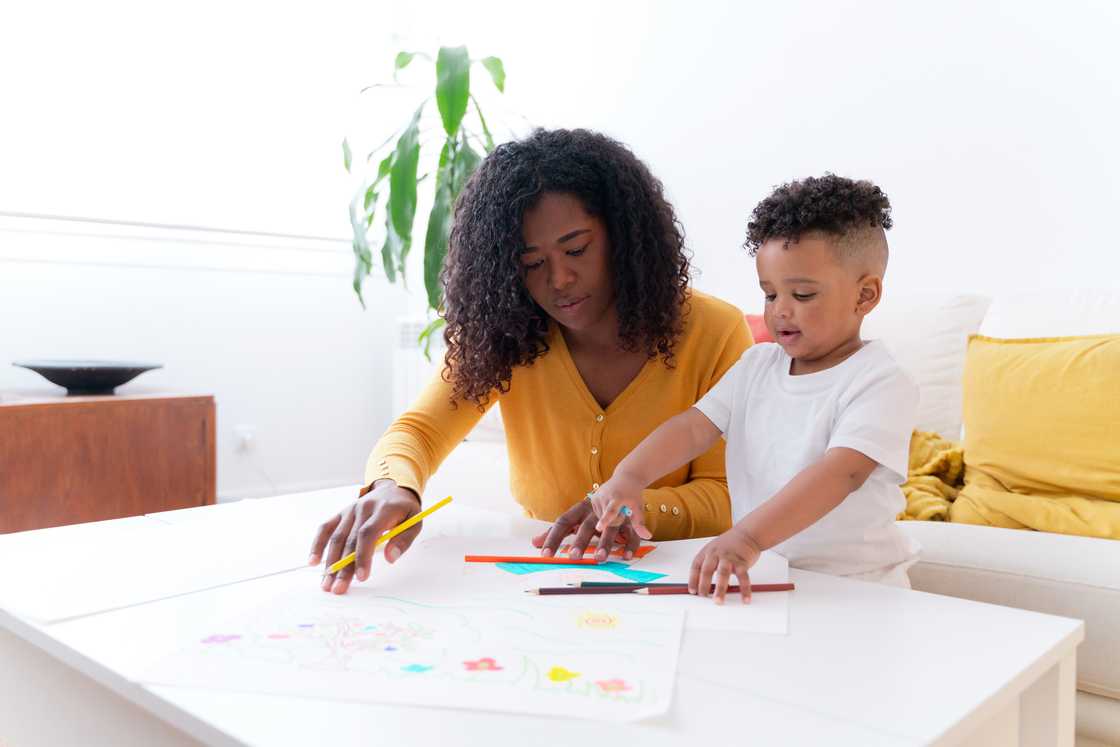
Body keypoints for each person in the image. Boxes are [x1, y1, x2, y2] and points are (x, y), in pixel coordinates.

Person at [309, 128, 752, 594]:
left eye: (576, 249)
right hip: (539, 573)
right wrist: (393, 486)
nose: (559, 279)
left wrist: (636, 507)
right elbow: (419, 431)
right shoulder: (506, 332)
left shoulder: (715, 332)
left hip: (678, 579)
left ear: (623, 235)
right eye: (531, 263)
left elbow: (727, 493)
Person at [591, 174, 920, 603]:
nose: (780, 310)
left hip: (857, 586)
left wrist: (746, 536)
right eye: (769, 294)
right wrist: (630, 476)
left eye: (802, 294)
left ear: (865, 295)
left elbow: (841, 474)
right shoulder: (756, 365)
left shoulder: (881, 381)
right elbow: (693, 428)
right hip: (764, 573)